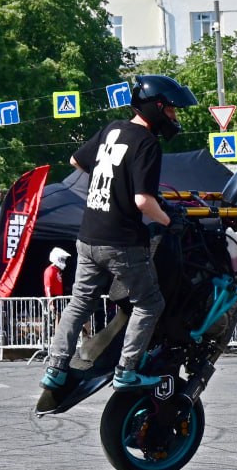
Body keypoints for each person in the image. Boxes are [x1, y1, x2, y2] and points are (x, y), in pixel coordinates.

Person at [39, 74, 198, 392]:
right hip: (121, 241)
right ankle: (126, 370)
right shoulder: (147, 143)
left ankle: (55, 369)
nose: (174, 116)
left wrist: (113, 182)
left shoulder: (112, 128)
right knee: (149, 303)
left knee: (79, 303)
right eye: (171, 110)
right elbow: (143, 201)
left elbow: (75, 160)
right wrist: (169, 221)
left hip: (88, 235)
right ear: (156, 107)